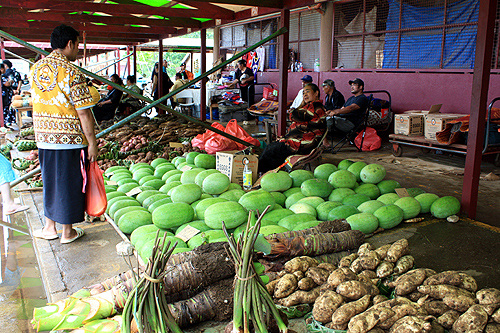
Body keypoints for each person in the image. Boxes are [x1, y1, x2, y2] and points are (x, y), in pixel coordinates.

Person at [30, 24, 98, 244]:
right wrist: (92, 143)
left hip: (44, 137)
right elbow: (84, 113)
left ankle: (49, 228)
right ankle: (67, 232)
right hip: (68, 140)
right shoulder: (71, 72)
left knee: (50, 181)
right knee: (69, 183)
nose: (77, 49)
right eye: (78, 45)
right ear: (70, 44)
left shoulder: (36, 68)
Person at [258, 83, 326, 173]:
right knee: (272, 148)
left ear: (316, 93)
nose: (305, 95)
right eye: (303, 93)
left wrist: (299, 106)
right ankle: (267, 173)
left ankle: (263, 173)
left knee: (272, 150)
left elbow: (294, 115)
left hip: (303, 145)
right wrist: (285, 138)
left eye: (307, 92)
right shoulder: (311, 107)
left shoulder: (315, 106)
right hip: (300, 142)